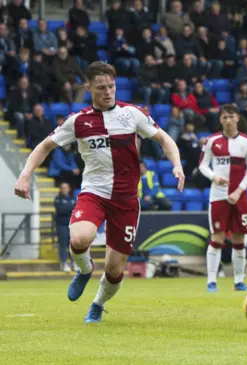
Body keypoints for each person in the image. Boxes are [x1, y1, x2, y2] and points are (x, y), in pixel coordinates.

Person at [14, 62, 185, 323]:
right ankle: (84, 270)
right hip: (94, 193)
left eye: (111, 86)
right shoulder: (78, 121)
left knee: (115, 271)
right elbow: (44, 146)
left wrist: (177, 165)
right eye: (101, 87)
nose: (108, 92)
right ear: (89, 87)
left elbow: (165, 139)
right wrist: (25, 175)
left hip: (126, 201)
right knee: (81, 238)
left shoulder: (132, 115)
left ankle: (97, 303)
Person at [199, 104, 247, 293]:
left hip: (239, 197)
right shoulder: (211, 141)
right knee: (217, 238)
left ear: (237, 118)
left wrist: (238, 191)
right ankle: (211, 281)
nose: (228, 120)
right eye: (224, 117)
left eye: (231, 116)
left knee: (239, 239)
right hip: (218, 197)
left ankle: (239, 281)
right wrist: (214, 177)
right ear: (220, 120)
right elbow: (202, 165)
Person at [55, 182, 76, 272]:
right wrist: (70, 209)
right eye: (63, 187)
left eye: (66, 187)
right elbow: (60, 210)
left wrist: (67, 208)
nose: (64, 189)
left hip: (71, 225)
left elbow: (76, 209)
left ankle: (73, 262)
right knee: (63, 244)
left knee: (72, 244)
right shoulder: (58, 199)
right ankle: (63, 262)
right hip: (61, 224)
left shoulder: (73, 198)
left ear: (69, 188)